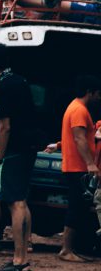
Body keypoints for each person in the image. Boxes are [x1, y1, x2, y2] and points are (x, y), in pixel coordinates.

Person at [0, 43, 34, 271]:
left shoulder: (2, 85)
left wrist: (0, 155)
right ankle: (21, 258)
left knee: (15, 203)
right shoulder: (21, 80)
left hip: (14, 150)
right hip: (29, 146)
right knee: (20, 200)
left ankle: (19, 259)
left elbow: (5, 126)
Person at [46, 75, 101, 261]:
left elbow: (78, 137)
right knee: (76, 207)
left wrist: (59, 145)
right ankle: (66, 250)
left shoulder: (75, 108)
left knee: (79, 206)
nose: (98, 98)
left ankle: (73, 248)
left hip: (75, 165)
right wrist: (90, 163)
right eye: (97, 94)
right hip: (77, 167)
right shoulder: (79, 110)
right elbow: (79, 139)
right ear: (90, 92)